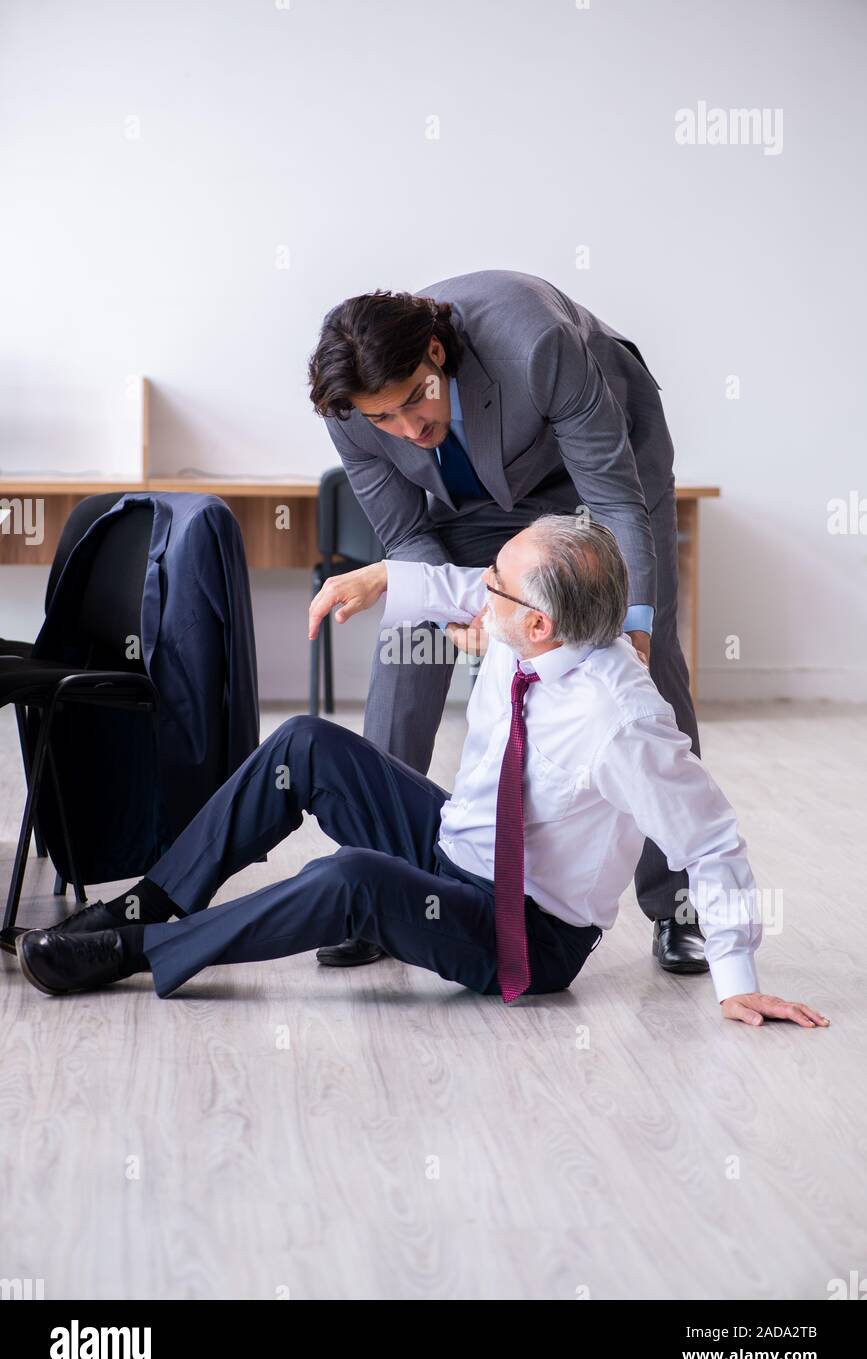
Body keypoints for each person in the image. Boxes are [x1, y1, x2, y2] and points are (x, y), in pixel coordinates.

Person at [15, 517, 828, 1030]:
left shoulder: (624, 724)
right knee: (304, 742)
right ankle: (152, 895)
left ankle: (141, 948)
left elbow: (711, 839)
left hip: (523, 929)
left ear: (538, 622)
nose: (481, 592)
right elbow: (452, 585)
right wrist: (373, 579)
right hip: (455, 845)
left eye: (495, 586)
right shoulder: (531, 628)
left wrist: (735, 974)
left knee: (352, 878)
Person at [308, 267, 704, 973]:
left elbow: (613, 505)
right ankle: (378, 883)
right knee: (408, 640)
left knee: (646, 668)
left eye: (410, 404)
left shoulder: (536, 345)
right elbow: (406, 543)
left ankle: (678, 902)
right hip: (473, 498)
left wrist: (632, 627)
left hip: (599, 479)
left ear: (434, 352)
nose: (405, 430)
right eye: (383, 420)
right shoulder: (351, 412)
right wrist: (455, 611)